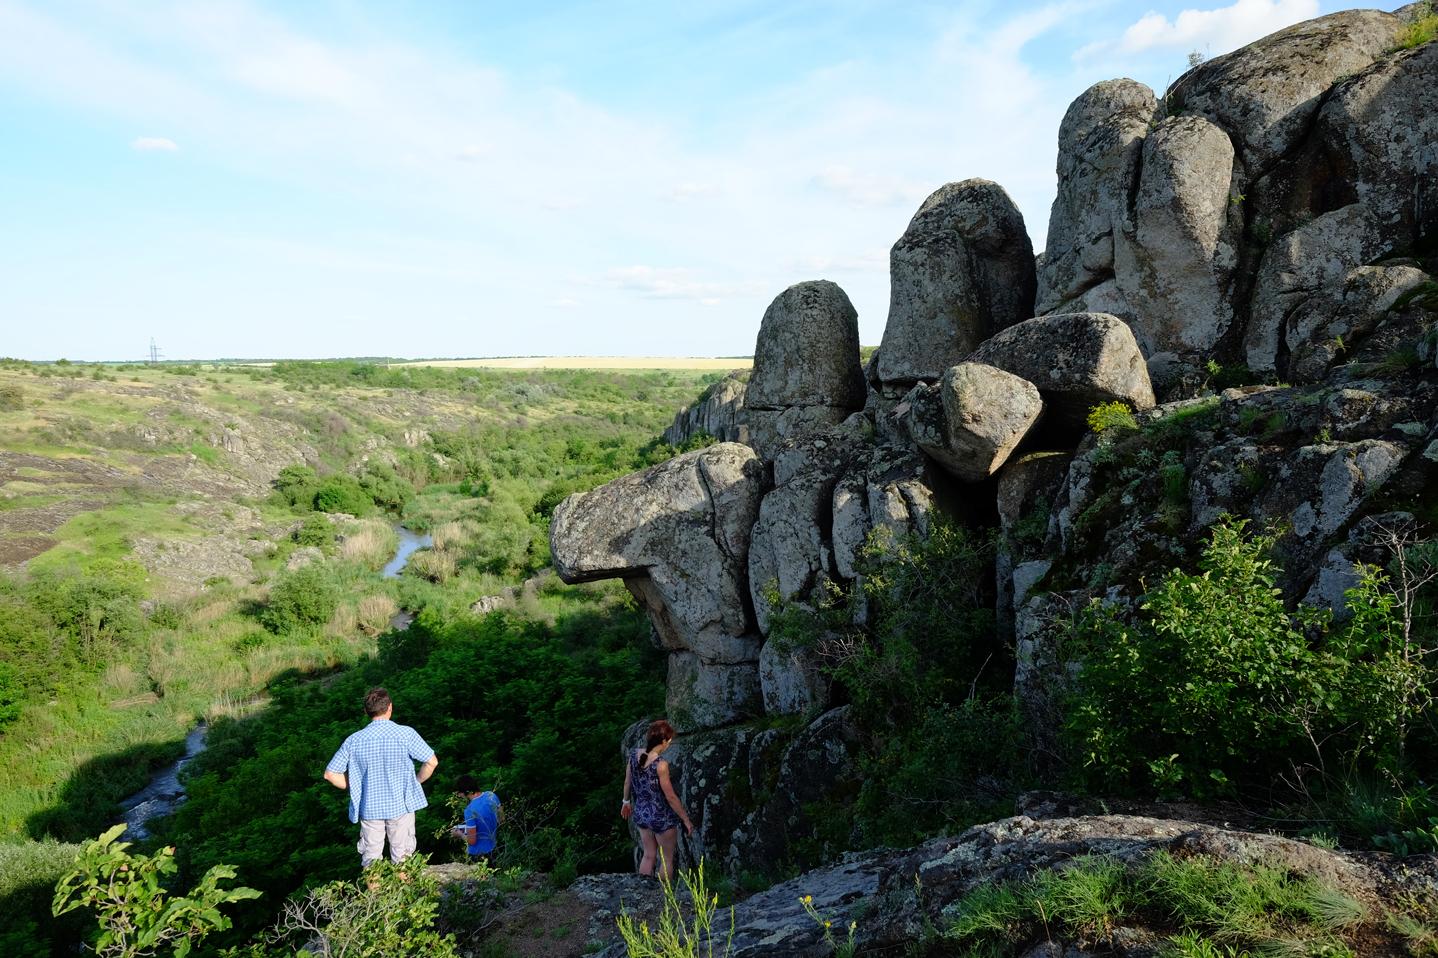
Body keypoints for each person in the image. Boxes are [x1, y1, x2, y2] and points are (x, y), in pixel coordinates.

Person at [323, 687, 439, 868]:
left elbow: (330, 774)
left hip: (369, 809)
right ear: (390, 707)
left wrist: (355, 784)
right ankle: (403, 894)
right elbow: (431, 762)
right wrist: (416, 781)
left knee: (371, 862)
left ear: (366, 711)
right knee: (403, 859)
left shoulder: (354, 740)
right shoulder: (405, 734)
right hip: (402, 805)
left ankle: (374, 897)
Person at [620, 719, 694, 881]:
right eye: (669, 741)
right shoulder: (661, 765)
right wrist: (686, 820)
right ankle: (663, 895)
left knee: (648, 855)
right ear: (663, 741)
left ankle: (643, 891)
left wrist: (626, 802)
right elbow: (670, 796)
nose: (669, 744)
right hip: (661, 816)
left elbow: (627, 781)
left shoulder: (634, 756)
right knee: (666, 859)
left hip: (641, 813)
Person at [452, 775, 503, 864]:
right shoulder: (491, 795)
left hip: (478, 854)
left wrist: (459, 834)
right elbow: (502, 819)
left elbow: (472, 841)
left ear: (465, 792)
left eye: (459, 792)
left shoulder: (469, 810)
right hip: (495, 847)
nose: (459, 795)